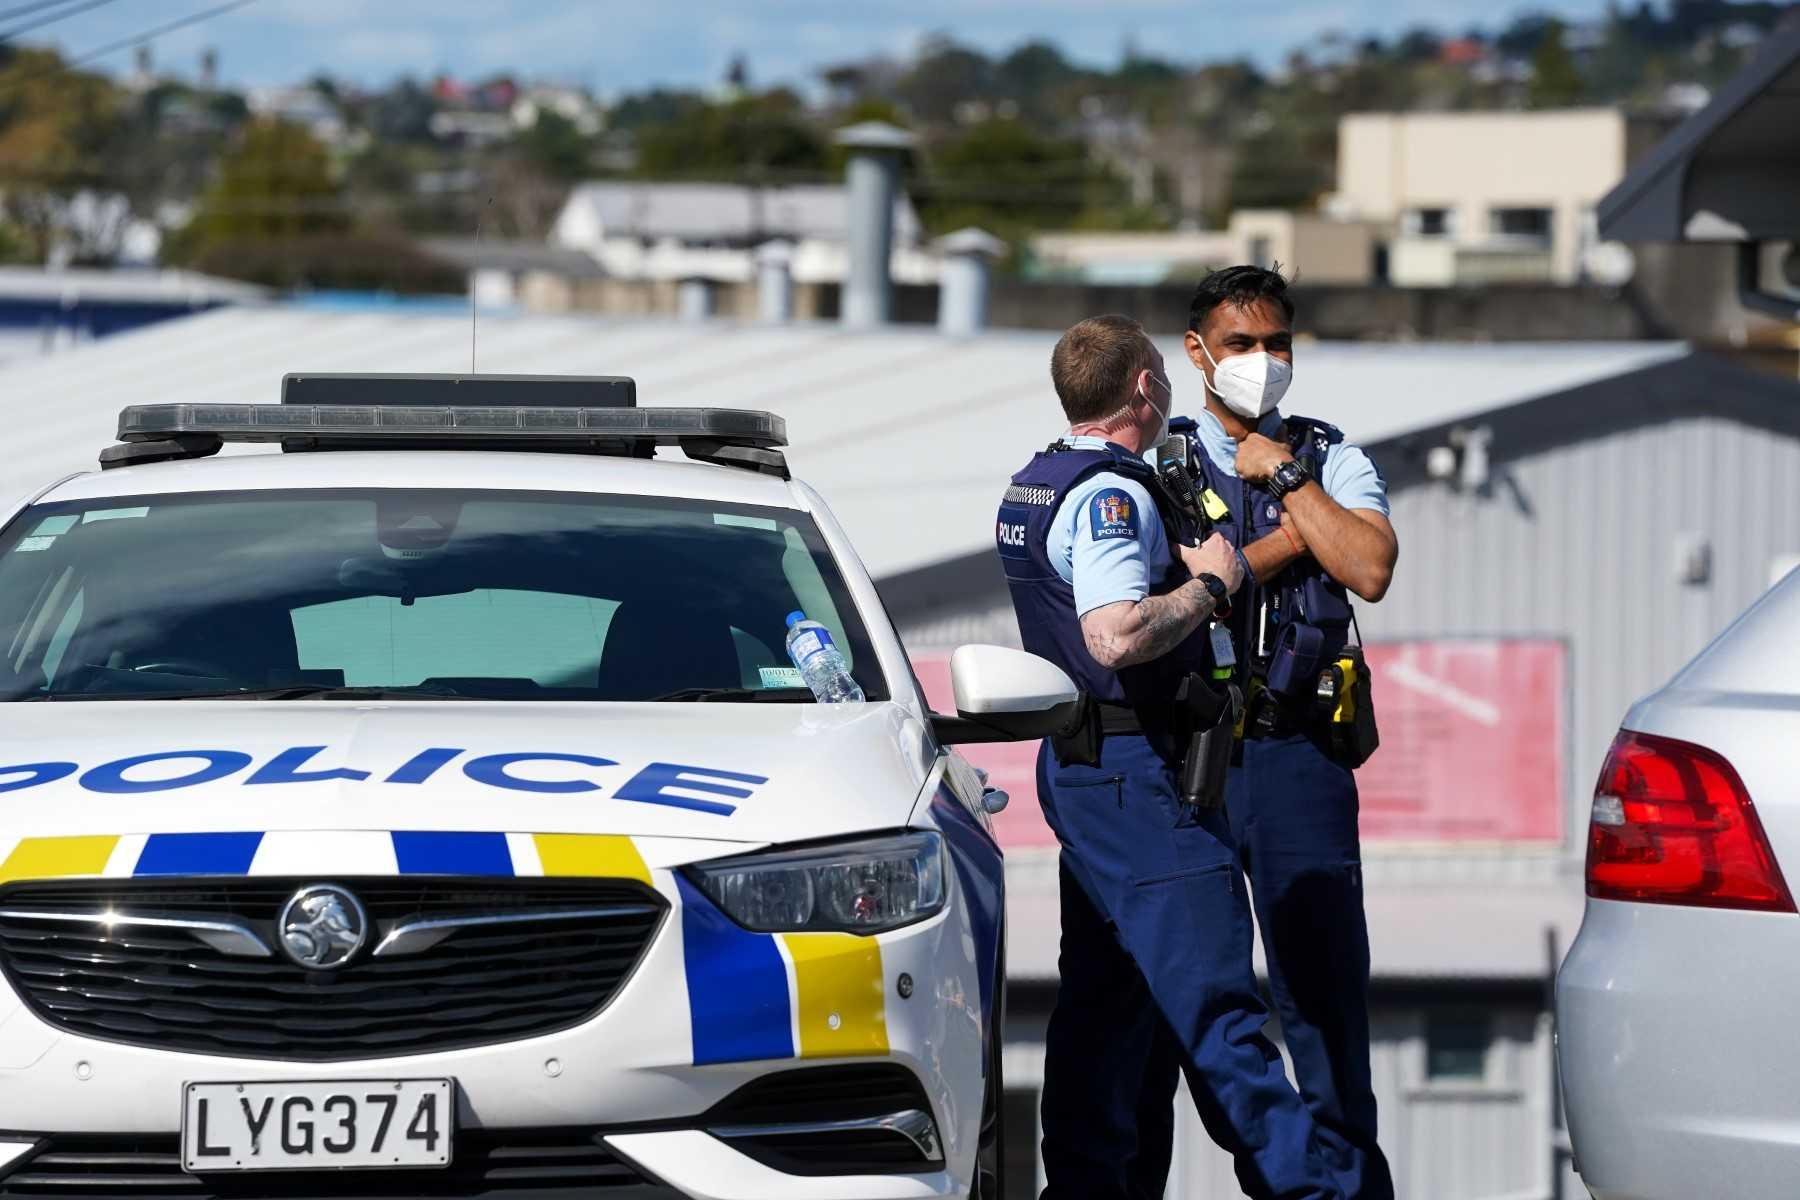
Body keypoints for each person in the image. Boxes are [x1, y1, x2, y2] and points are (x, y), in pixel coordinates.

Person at [994, 314, 1348, 1200]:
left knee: (1104, 1015)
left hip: (1088, 775)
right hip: (1140, 785)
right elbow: (1115, 635)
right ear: (1145, 388)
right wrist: (1214, 582)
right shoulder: (1110, 498)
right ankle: (1312, 1191)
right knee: (1220, 1021)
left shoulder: (1035, 481)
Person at [1137, 266, 1399, 1200]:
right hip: (1186, 759)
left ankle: (1346, 1187)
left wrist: (1286, 477)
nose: (1261, 360)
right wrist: (1289, 540)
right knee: (1177, 1002)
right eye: (1240, 343)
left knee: (1323, 998)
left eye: (1276, 342)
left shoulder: (1330, 457)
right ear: (1197, 353)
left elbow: (1368, 566)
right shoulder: (1153, 469)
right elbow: (1161, 601)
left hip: (1298, 756)